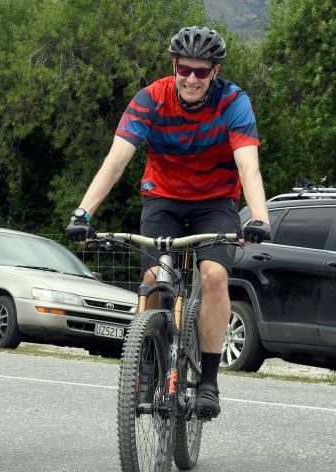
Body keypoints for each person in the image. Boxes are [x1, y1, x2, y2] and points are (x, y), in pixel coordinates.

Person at [65, 26, 270, 419]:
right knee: (153, 278)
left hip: (214, 201)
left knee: (213, 276)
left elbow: (248, 166)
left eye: (202, 71)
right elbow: (117, 159)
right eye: (185, 69)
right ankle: (147, 362)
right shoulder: (150, 99)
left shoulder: (233, 102)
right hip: (163, 198)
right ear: (174, 65)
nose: (192, 78)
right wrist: (83, 212)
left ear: (214, 72)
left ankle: (208, 379)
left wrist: (258, 216)